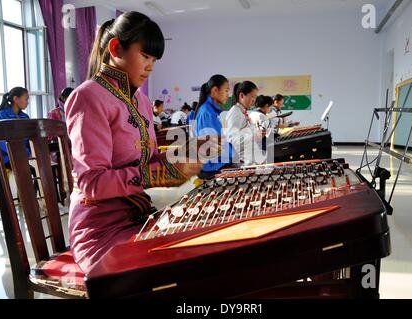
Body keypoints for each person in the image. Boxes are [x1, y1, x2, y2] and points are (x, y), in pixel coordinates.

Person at [65, 12, 204, 273]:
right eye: (146, 56)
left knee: (203, 245)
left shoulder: (140, 100)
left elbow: (148, 163)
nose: (151, 66)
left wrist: (184, 155)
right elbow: (92, 183)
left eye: (154, 59)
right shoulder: (88, 97)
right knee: (182, 269)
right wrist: (161, 173)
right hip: (100, 229)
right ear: (116, 48)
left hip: (139, 215)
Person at [194, 74, 236, 180]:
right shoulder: (207, 112)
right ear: (215, 90)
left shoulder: (210, 111)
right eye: (226, 91)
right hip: (211, 166)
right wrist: (233, 154)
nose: (228, 94)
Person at [225, 81, 265, 165]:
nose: (254, 100)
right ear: (241, 95)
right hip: (243, 161)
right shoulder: (235, 113)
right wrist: (254, 137)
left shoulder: (242, 111)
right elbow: (232, 140)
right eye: (252, 96)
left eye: (255, 97)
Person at [0, 87, 31, 169]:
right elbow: (1, 141)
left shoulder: (25, 117)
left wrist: (28, 152)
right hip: (6, 158)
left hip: (23, 156)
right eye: (26, 99)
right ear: (16, 99)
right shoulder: (1, 115)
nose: (27, 102)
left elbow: (29, 138)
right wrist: (20, 152)